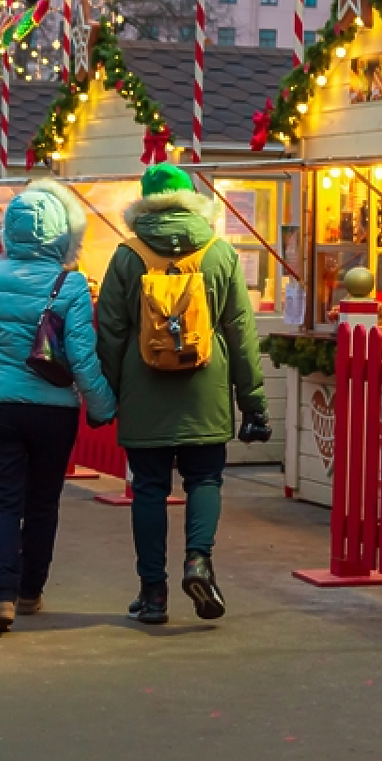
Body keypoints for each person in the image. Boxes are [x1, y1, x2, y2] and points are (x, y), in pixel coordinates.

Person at [96, 163, 268, 625]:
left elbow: (110, 331)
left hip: (144, 390)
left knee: (149, 490)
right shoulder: (219, 252)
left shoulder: (127, 255)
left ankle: (153, 594)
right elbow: (241, 333)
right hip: (204, 390)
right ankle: (198, 561)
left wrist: (108, 393)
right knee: (205, 480)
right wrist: (253, 402)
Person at [0, 182, 115, 636]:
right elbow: (81, 356)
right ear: (61, 234)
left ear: (9, 234)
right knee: (42, 502)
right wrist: (101, 406)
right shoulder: (71, 284)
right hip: (52, 410)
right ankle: (30, 591)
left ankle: (0, 593)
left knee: (3, 503)